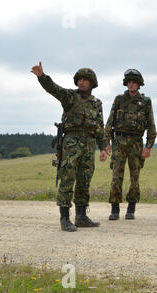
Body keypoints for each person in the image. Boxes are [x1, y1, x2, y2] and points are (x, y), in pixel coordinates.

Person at [31, 62, 108, 232]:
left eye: (85, 80)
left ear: (92, 83)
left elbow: (99, 128)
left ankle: (81, 216)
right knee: (67, 178)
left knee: (84, 180)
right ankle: (64, 218)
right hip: (72, 142)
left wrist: (103, 148)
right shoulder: (70, 97)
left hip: (89, 144)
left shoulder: (97, 103)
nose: (81, 82)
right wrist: (42, 77)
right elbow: (54, 89)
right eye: (79, 79)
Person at [105, 69, 157, 220]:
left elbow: (151, 126)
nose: (131, 84)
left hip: (136, 142)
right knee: (116, 176)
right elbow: (109, 123)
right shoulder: (119, 99)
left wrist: (149, 146)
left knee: (135, 177)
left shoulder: (146, 102)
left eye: (134, 82)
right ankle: (115, 209)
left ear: (139, 84)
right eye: (129, 82)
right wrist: (106, 143)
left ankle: (131, 208)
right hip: (119, 142)